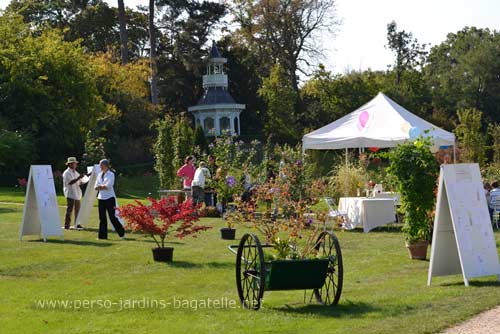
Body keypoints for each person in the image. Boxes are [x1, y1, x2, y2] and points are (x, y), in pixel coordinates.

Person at [95, 159, 125, 240]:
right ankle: (102, 236)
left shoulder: (111, 174)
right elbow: (96, 186)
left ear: (105, 165)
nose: (100, 166)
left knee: (112, 217)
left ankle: (122, 233)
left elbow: (108, 185)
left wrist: (101, 186)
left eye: (101, 165)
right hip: (101, 198)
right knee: (102, 218)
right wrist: (101, 186)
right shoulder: (99, 174)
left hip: (109, 198)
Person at [62, 157, 89, 230]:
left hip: (77, 193)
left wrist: (85, 179)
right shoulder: (66, 173)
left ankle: (77, 224)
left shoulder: (76, 172)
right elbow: (70, 183)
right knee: (69, 210)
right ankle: (66, 225)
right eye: (74, 163)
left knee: (78, 210)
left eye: (75, 163)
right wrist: (79, 178)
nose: (75, 165)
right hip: (70, 193)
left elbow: (79, 182)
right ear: (70, 164)